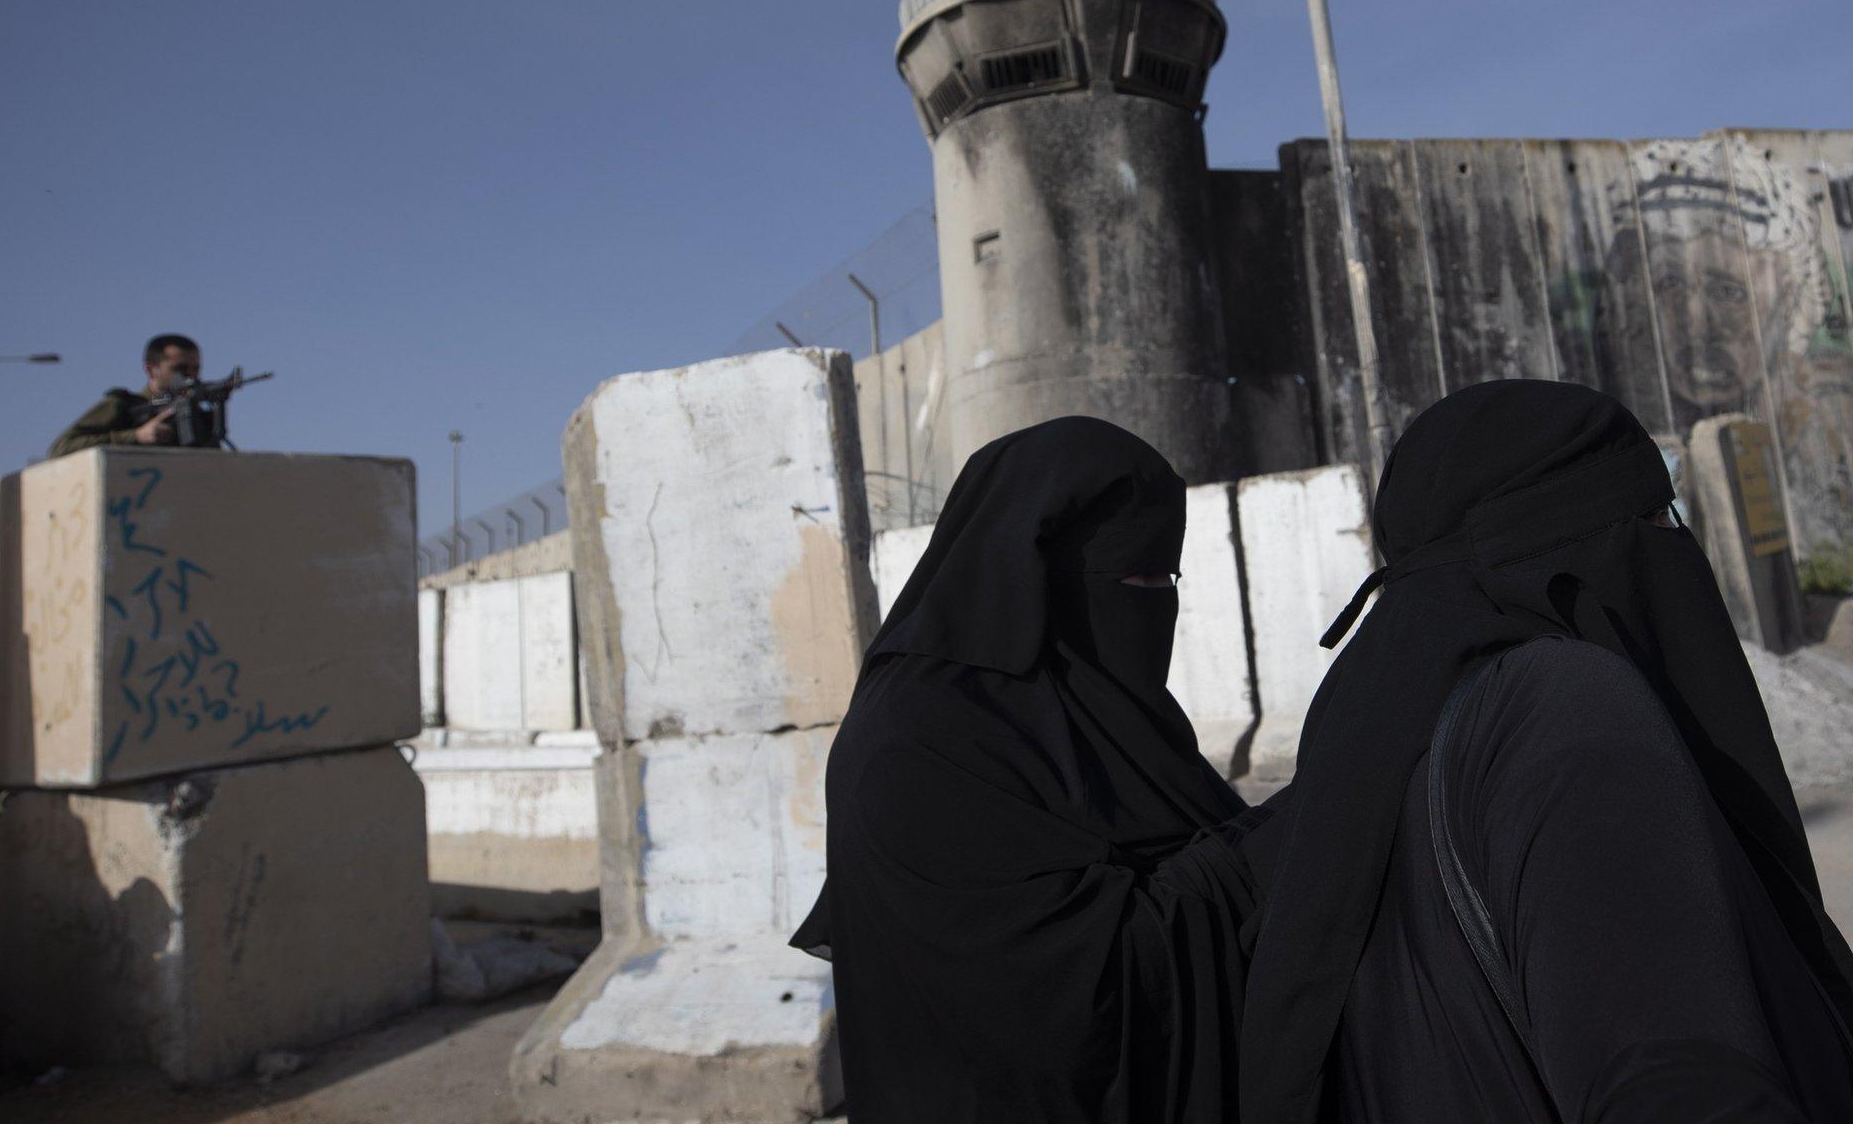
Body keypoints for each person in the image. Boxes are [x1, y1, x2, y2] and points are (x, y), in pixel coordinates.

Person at [1238, 380, 1853, 1123]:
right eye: (1657, 517)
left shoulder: (1371, 739)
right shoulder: (1564, 714)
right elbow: (1678, 1077)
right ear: (1582, 541)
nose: (1674, 543)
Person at [792, 416, 1270, 1123]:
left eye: (1165, 578)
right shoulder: (918, 747)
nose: (1152, 602)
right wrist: (1264, 857)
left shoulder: (1106, 718)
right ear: (1039, 577)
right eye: (1133, 577)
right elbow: (1063, 990)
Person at [46, 332, 201, 457]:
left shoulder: (195, 412)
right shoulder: (125, 405)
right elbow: (61, 448)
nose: (190, 376)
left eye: (195, 369)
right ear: (151, 370)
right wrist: (136, 436)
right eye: (179, 369)